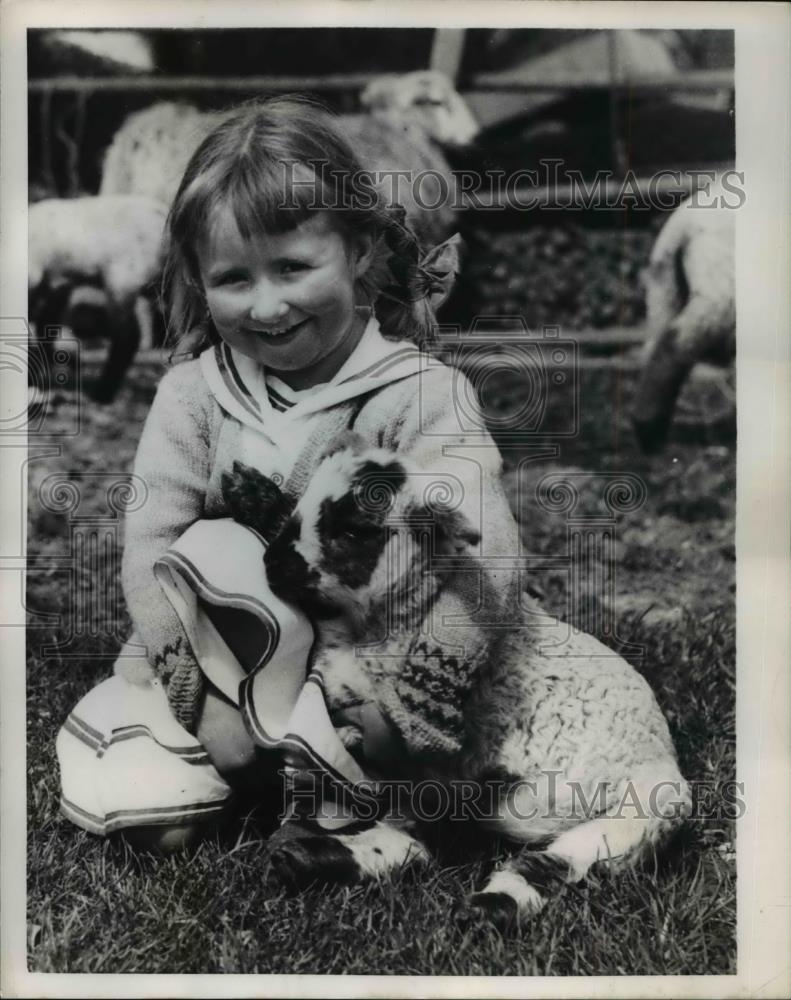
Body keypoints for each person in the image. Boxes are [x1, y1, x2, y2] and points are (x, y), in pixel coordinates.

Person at [56, 96, 524, 855]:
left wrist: (424, 683)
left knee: (407, 761)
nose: (266, 306)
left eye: (293, 268)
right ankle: (255, 770)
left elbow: (487, 548)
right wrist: (195, 691)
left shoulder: (416, 392)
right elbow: (150, 541)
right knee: (160, 820)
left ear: (360, 249)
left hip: (368, 659)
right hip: (228, 651)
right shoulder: (194, 394)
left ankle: (357, 802)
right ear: (195, 275)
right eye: (234, 278)